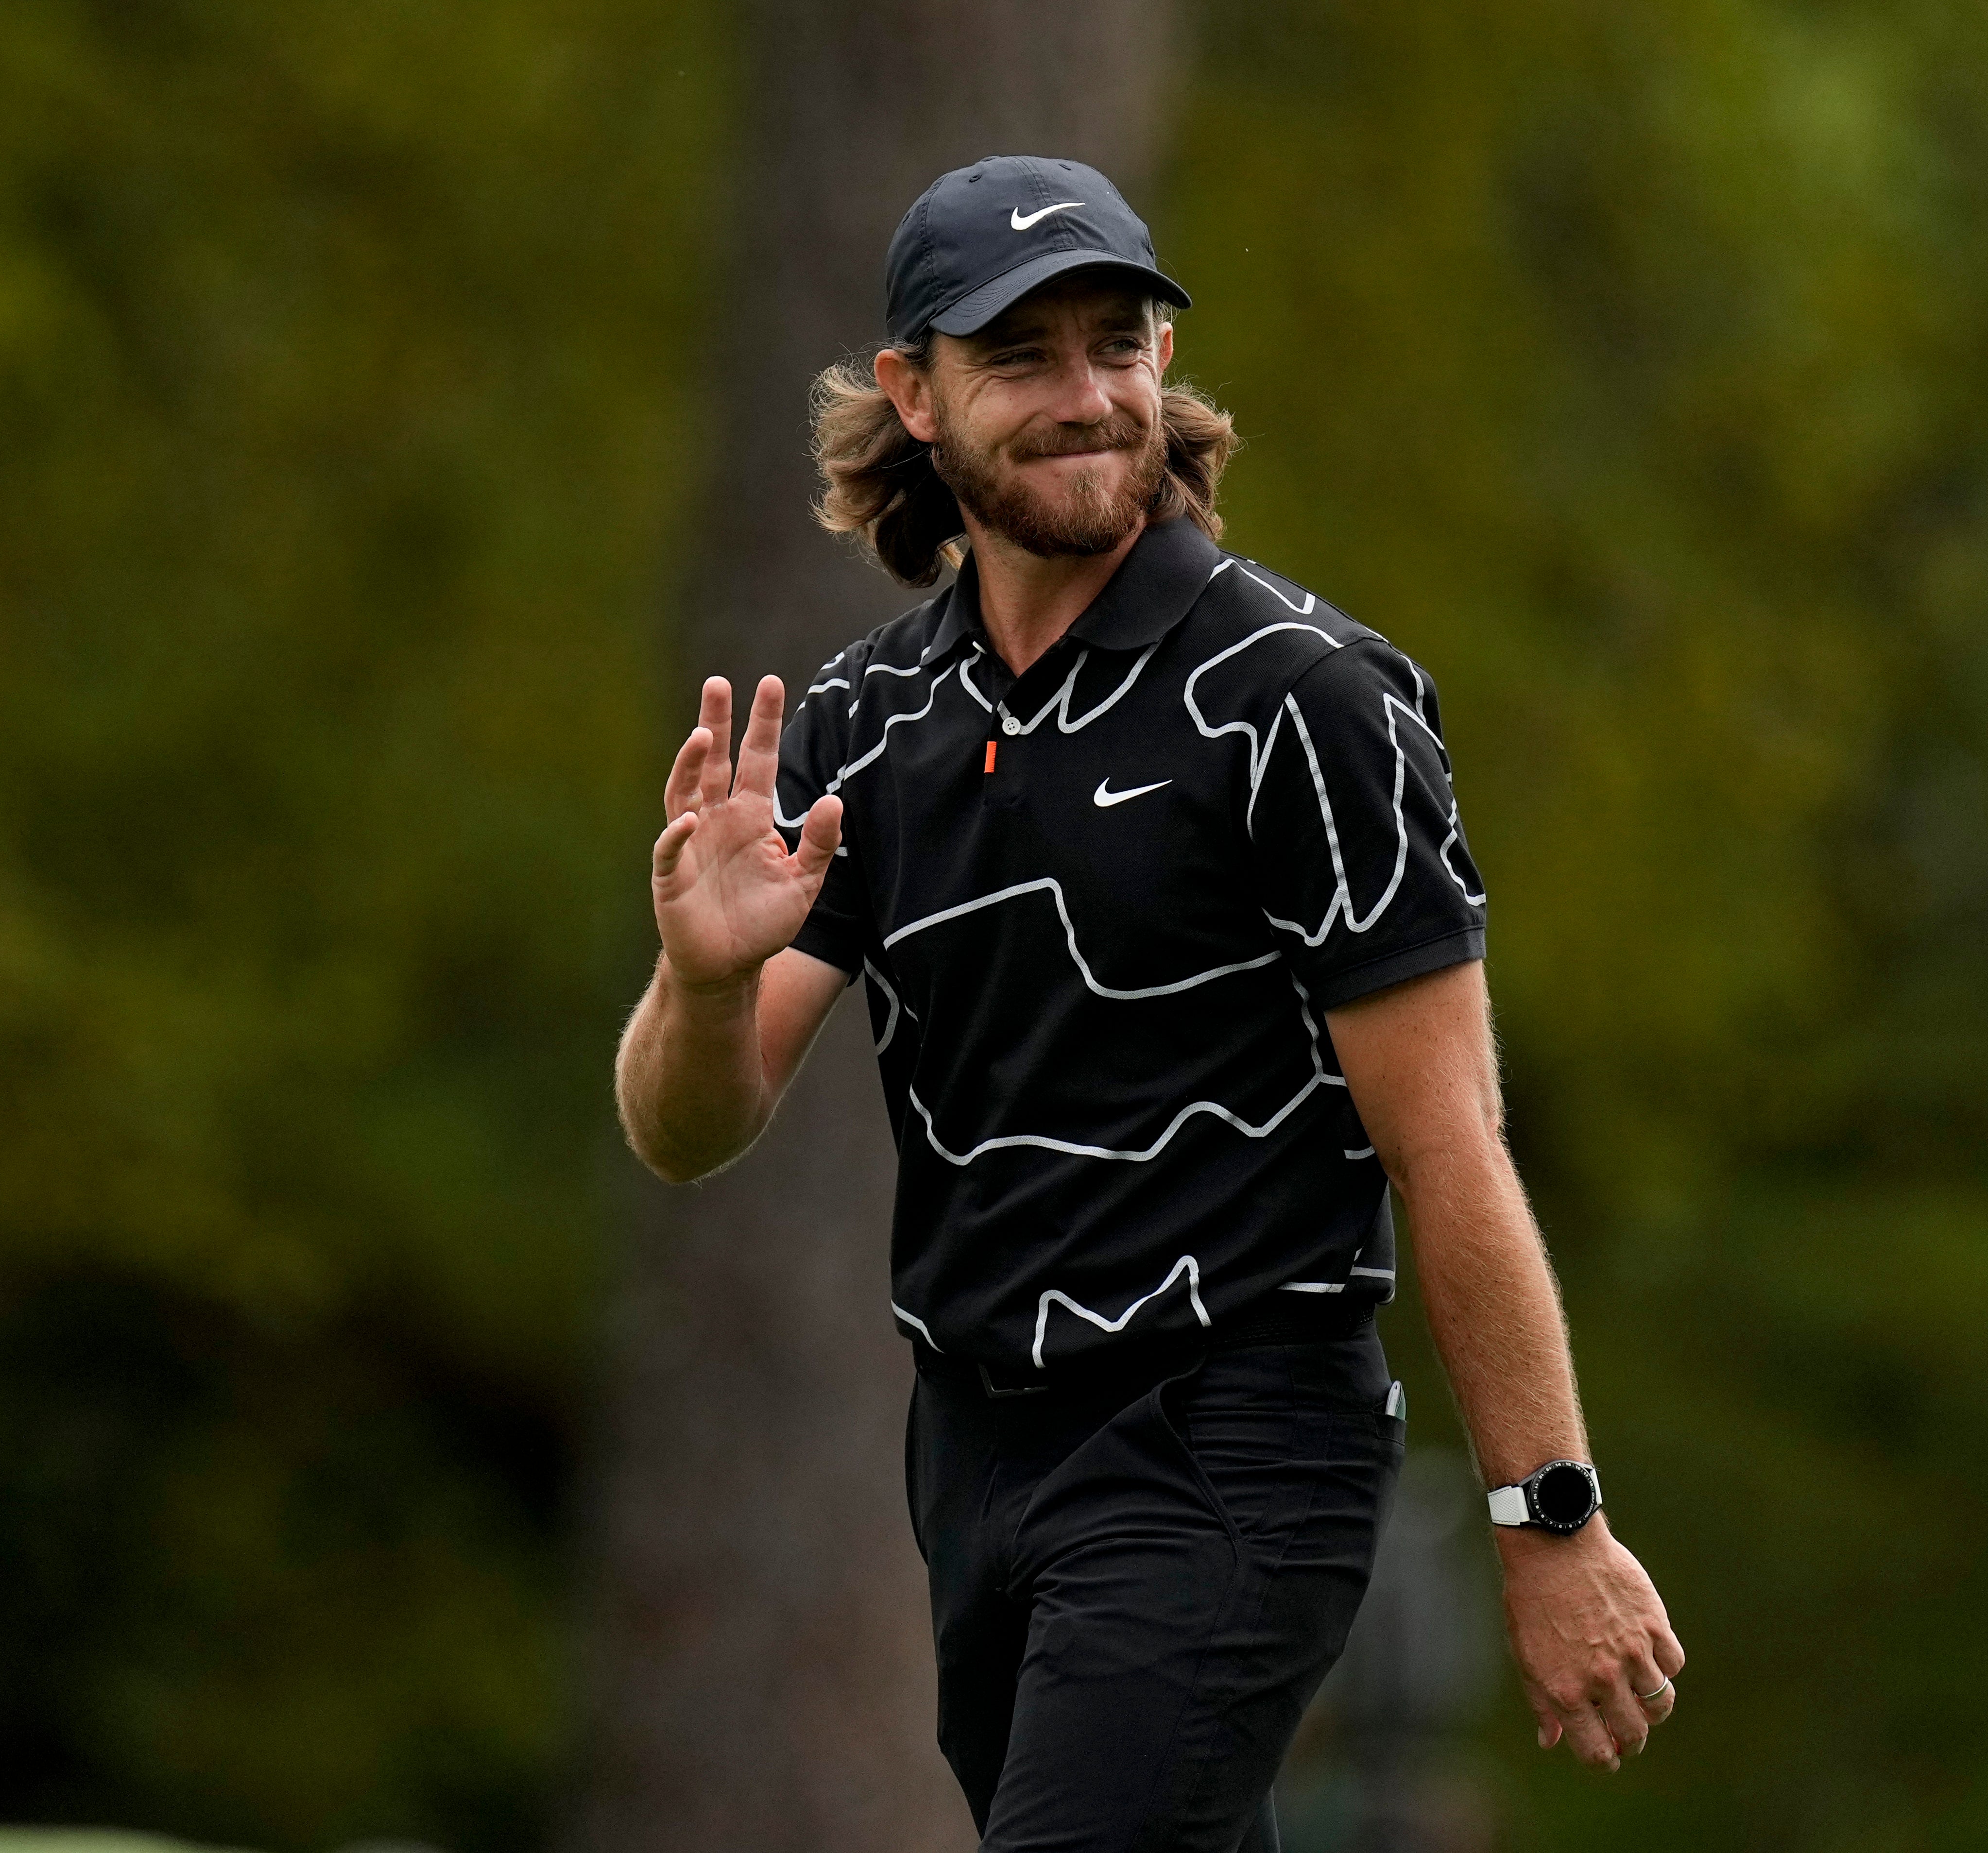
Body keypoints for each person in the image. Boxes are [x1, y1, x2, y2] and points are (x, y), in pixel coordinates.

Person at [614, 155, 1683, 1853]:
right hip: (973, 1459)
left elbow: (1452, 1145)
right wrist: (697, 971)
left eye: (1118, 343)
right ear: (913, 394)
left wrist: (1548, 1520)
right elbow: (692, 1122)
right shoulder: (865, 722)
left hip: (1229, 1439)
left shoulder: (1303, 704)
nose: (1087, 395)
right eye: (1022, 356)